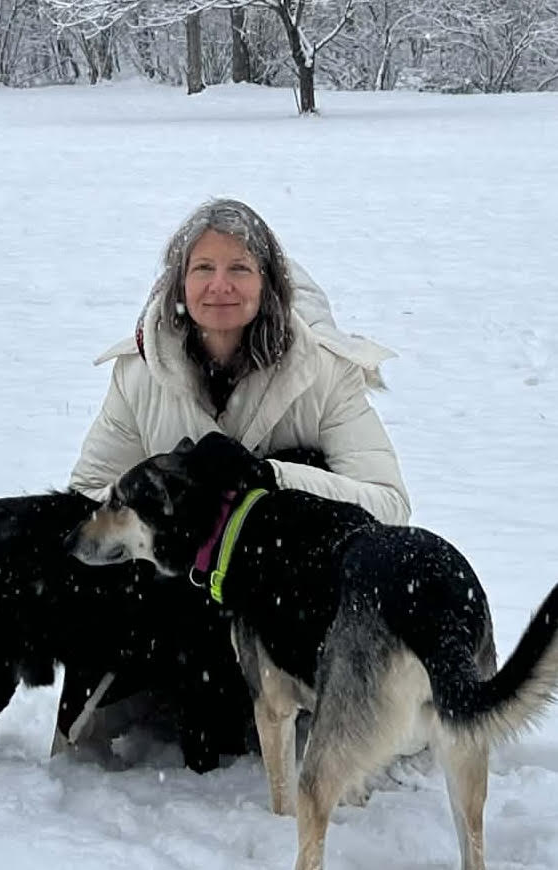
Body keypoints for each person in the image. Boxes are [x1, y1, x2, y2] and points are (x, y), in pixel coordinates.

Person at [61, 198, 410, 767]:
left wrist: (271, 477)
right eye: (203, 269)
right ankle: (149, 696)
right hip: (181, 602)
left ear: (268, 283)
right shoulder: (138, 373)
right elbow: (89, 492)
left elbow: (389, 507)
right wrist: (160, 513)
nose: (220, 286)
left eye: (240, 269)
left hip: (290, 600)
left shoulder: (324, 372)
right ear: (178, 281)